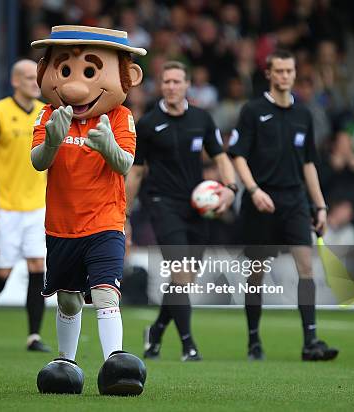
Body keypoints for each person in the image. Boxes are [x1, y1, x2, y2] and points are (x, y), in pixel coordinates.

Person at [30, 25, 148, 395]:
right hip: (62, 226)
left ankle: (116, 364)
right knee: (68, 298)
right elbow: (37, 161)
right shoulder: (48, 113)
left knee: (105, 293)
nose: (75, 85)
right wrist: (51, 140)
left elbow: (124, 164)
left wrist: (106, 146)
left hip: (105, 221)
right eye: (64, 71)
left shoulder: (119, 116)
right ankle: (66, 365)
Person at [228, 49, 339, 361]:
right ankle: (253, 341)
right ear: (269, 73)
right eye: (279, 71)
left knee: (306, 267)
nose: (285, 76)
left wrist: (320, 206)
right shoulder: (252, 111)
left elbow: (308, 165)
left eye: (289, 71)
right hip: (261, 202)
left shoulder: (304, 114)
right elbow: (237, 154)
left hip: (294, 201)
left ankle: (310, 342)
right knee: (257, 273)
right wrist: (253, 190)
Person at [125, 61, 238, 361]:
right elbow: (136, 173)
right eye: (167, 82)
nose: (171, 86)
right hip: (162, 203)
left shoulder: (201, 119)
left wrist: (231, 188)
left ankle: (156, 332)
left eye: (177, 81)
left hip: (196, 206)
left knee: (184, 279)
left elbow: (221, 157)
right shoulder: (148, 124)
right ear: (161, 86)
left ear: (188, 85)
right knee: (180, 271)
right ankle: (189, 345)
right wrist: (123, 216)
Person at [0, 60, 49, 352]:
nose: (35, 82)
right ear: (15, 81)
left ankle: (34, 336)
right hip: (4, 206)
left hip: (36, 205)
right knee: (2, 272)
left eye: (37, 78)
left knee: (37, 267)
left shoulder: (47, 112)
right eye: (29, 78)